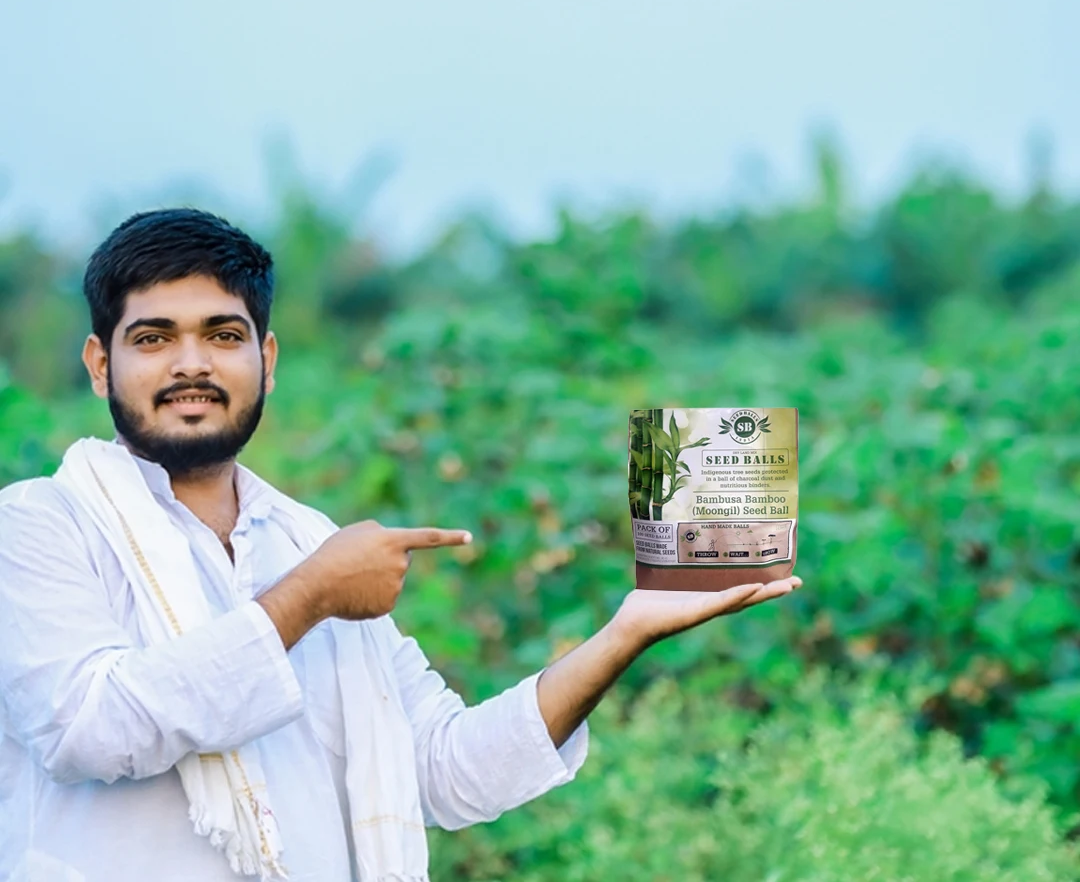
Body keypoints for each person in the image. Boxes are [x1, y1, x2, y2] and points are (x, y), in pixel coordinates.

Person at [0, 208, 801, 882]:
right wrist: (309, 598)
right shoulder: (39, 524)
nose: (191, 364)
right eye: (153, 339)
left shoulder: (305, 541)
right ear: (101, 365)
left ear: (266, 360)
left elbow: (443, 770)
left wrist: (625, 633)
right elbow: (91, 728)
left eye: (222, 334)